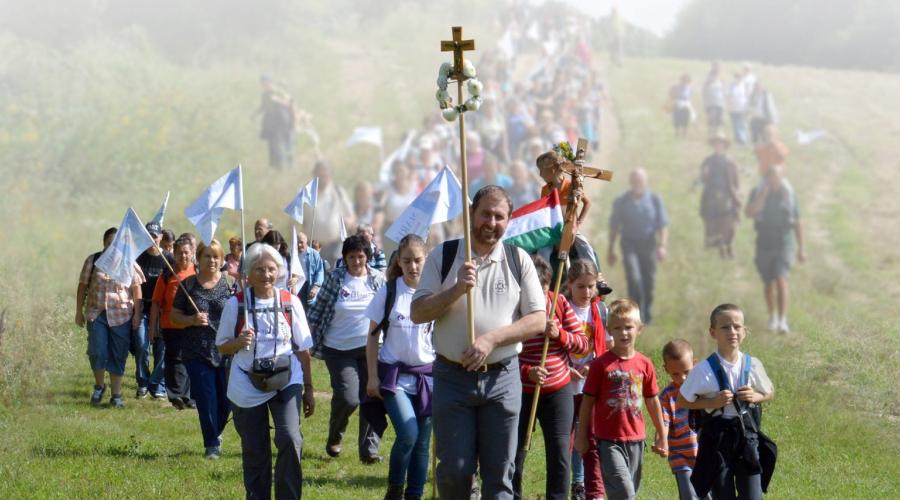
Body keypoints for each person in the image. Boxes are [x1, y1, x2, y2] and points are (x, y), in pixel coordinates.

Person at [411, 186, 546, 499]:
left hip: (502, 378)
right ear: (471, 214)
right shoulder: (443, 256)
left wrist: (492, 339)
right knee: (455, 471)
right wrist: (456, 288)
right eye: (486, 213)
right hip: (452, 378)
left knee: (500, 475)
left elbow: (538, 319)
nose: (492, 221)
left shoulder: (518, 259)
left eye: (500, 216)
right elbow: (418, 312)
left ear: (508, 221)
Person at [216, 242, 316, 498]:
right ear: (249, 272)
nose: (266, 275)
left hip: (286, 379)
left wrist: (309, 389)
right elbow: (222, 346)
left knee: (290, 438)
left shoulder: (290, 302)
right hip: (245, 383)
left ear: (279, 271)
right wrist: (238, 342)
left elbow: (304, 350)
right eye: (259, 269)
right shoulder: (235, 304)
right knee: (255, 448)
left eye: (271, 269)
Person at [677, 304, 775, 500]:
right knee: (723, 494)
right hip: (717, 441)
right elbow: (683, 400)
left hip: (747, 438)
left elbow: (770, 391)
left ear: (745, 332)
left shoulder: (753, 364)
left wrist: (756, 396)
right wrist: (712, 402)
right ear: (713, 332)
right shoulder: (703, 370)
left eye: (737, 327)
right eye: (725, 327)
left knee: (753, 496)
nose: (732, 331)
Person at [364, 235, 436, 500]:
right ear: (398, 261)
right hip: (394, 379)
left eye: (417, 260)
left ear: (426, 260)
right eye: (406, 261)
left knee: (422, 444)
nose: (412, 266)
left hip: (428, 378)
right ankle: (394, 489)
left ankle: (414, 494)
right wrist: (372, 377)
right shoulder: (390, 290)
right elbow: (371, 337)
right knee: (408, 433)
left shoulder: (434, 290)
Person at [574, 298, 668, 500]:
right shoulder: (601, 365)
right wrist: (581, 436)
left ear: (639, 329)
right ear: (609, 330)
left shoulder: (645, 363)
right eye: (617, 328)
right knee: (625, 493)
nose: (624, 333)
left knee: (627, 492)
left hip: (636, 439)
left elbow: (652, 400)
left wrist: (662, 434)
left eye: (628, 327)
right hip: (608, 441)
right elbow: (587, 401)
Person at [512, 255, 589, 500]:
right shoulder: (514, 309)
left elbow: (583, 345)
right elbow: (503, 354)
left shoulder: (560, 303)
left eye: (543, 289)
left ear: (548, 287)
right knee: (515, 452)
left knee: (559, 453)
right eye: (532, 290)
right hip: (522, 389)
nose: (538, 296)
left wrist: (559, 335)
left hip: (559, 390)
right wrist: (528, 372)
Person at [308, 234, 385, 464]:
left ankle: (369, 450)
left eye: (360, 256)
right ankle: (335, 435)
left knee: (373, 396)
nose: (356, 261)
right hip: (338, 349)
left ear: (367, 257)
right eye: (351, 256)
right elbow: (318, 308)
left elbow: (386, 312)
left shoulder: (378, 280)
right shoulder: (335, 279)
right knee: (349, 397)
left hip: (372, 348)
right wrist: (305, 337)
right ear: (345, 258)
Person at [170, 240, 234, 459]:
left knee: (227, 401)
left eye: (216, 256)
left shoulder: (231, 284)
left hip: (227, 350)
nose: (212, 261)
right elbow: (174, 316)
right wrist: (191, 319)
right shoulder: (187, 285)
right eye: (207, 256)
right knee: (206, 397)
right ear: (199, 258)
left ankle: (216, 430)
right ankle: (211, 444)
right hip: (196, 351)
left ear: (222, 259)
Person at [75, 227, 145, 408]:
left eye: (116, 244)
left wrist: (137, 314)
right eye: (108, 243)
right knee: (96, 350)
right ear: (103, 244)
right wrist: (78, 311)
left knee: (118, 353)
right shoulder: (93, 260)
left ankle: (116, 394)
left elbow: (137, 289)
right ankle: (99, 386)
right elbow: (82, 286)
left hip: (121, 315)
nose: (112, 247)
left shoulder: (128, 262)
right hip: (96, 313)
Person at [565, 260, 612, 500]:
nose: (586, 292)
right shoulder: (563, 309)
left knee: (590, 438)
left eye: (591, 286)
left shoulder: (600, 311)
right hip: (564, 382)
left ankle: (591, 489)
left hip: (591, 385)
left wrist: (594, 366)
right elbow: (553, 345)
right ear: (570, 284)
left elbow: (608, 346)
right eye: (581, 286)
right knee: (567, 437)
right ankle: (570, 484)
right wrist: (567, 368)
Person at [745, 166, 804, 333]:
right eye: (770, 177)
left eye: (777, 177)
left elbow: (798, 221)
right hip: (764, 243)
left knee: (781, 279)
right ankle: (773, 317)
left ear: (782, 177)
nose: (774, 181)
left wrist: (801, 248)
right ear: (766, 178)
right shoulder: (757, 192)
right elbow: (749, 213)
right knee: (768, 283)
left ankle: (783, 320)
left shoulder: (789, 194)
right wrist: (762, 197)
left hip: (784, 243)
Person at [607, 168, 669, 325]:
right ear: (630, 182)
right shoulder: (621, 201)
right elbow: (614, 226)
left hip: (649, 244)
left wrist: (662, 246)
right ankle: (635, 311)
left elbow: (662, 225)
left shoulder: (654, 199)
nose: (637, 184)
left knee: (649, 279)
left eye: (640, 181)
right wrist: (611, 249)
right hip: (629, 244)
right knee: (634, 279)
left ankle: (647, 310)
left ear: (645, 182)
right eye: (634, 181)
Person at [151, 236, 196, 409]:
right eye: (179, 253)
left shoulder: (198, 273)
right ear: (174, 254)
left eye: (186, 253)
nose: (183, 256)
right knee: (174, 359)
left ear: (192, 254)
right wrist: (152, 327)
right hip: (170, 324)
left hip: (192, 323)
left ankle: (188, 396)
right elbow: (156, 302)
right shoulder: (167, 274)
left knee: (190, 358)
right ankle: (176, 394)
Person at [659, 339, 705, 500]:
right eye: (676, 374)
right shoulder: (667, 396)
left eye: (687, 371)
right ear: (666, 370)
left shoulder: (702, 390)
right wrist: (661, 440)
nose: (683, 378)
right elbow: (663, 422)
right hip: (681, 457)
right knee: (689, 496)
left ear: (695, 363)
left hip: (704, 453)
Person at [134, 222, 169, 399]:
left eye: (155, 236)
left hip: (163, 311)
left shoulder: (169, 259)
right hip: (143, 308)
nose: (152, 240)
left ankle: (158, 384)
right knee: (141, 345)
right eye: (148, 236)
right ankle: (142, 382)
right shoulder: (138, 258)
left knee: (162, 350)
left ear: (161, 237)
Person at [303, 160, 356, 266]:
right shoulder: (306, 194)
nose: (323, 177)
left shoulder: (338, 191)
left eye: (325, 174)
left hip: (336, 247)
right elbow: (297, 222)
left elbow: (352, 216)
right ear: (314, 175)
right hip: (313, 247)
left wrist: (347, 223)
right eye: (320, 174)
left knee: (334, 278)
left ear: (330, 175)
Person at [699, 131, 741, 259]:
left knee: (729, 222)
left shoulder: (730, 161)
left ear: (724, 145)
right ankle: (721, 247)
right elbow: (703, 178)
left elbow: (735, 180)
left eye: (720, 143)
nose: (718, 146)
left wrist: (736, 193)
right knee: (714, 222)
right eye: (716, 143)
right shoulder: (708, 161)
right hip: (711, 195)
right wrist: (704, 174)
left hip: (727, 194)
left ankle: (730, 245)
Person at [256, 75, 296, 169]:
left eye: (266, 83)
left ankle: (288, 163)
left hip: (283, 122)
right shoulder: (265, 95)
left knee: (286, 143)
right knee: (273, 145)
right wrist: (255, 114)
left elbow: (289, 103)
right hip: (271, 124)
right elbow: (263, 106)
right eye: (263, 84)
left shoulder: (279, 92)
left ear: (271, 83)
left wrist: (278, 100)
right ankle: (276, 165)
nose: (265, 86)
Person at [297, 231, 325, 311]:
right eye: (297, 243)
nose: (299, 245)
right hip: (297, 287)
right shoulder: (293, 254)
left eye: (301, 242)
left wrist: (316, 287)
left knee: (309, 311)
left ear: (306, 242)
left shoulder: (314, 254)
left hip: (309, 286)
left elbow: (320, 272)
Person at [703, 63, 725, 134]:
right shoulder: (708, 76)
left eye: (718, 67)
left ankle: (717, 133)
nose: (717, 69)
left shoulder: (721, 77)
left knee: (719, 118)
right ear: (712, 67)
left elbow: (723, 88)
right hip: (710, 101)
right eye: (715, 67)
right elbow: (705, 88)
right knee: (711, 117)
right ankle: (711, 132)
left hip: (720, 101)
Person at [727, 73, 749, 145]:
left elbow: (747, 97)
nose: (738, 79)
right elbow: (728, 96)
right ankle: (737, 139)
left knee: (741, 124)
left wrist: (747, 108)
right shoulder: (731, 86)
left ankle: (743, 140)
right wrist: (729, 106)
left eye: (739, 77)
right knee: (735, 125)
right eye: (736, 77)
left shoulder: (744, 86)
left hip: (742, 109)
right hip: (733, 109)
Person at [670, 73, 693, 138]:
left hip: (686, 106)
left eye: (687, 80)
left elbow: (690, 97)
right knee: (677, 120)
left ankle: (684, 134)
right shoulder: (675, 87)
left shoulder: (689, 88)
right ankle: (676, 133)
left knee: (685, 120)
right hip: (677, 105)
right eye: (684, 80)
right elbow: (672, 95)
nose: (685, 82)